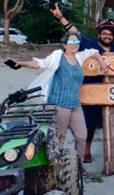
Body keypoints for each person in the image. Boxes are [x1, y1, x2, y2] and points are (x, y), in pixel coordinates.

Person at [50, 4, 114, 162]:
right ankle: (86, 150)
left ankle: (111, 147)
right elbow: (73, 31)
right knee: (90, 123)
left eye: (110, 34)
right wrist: (60, 17)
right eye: (104, 33)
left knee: (113, 121)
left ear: (113, 36)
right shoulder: (90, 45)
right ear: (100, 35)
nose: (107, 36)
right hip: (93, 92)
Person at [7, 30, 100, 173]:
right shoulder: (58, 57)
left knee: (82, 136)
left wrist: (101, 62)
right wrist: (21, 63)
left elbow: (93, 51)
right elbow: (40, 63)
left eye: (76, 42)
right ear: (64, 44)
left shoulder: (80, 58)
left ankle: (78, 167)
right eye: (71, 42)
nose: (74, 45)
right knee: (59, 138)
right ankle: (57, 169)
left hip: (75, 105)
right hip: (58, 105)